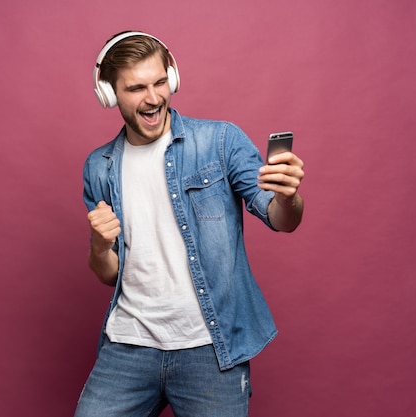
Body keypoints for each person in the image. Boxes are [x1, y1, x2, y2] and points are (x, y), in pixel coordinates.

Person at [74, 31, 305, 417]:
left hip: (210, 349)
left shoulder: (220, 141)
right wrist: (99, 246)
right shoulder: (100, 167)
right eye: (136, 88)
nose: (153, 98)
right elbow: (107, 273)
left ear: (173, 78)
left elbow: (283, 220)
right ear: (110, 94)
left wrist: (287, 197)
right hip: (129, 345)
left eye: (160, 82)